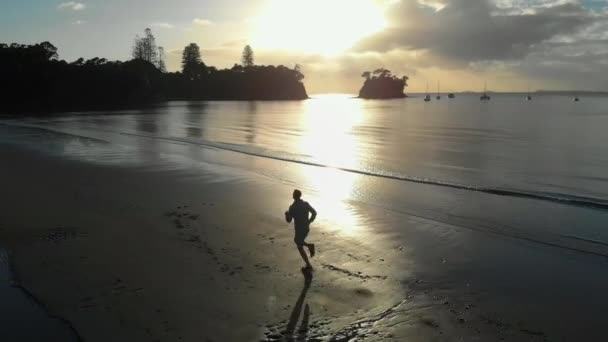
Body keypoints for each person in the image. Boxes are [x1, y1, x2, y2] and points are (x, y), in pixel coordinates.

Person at [285, 189, 317, 269]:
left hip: (299, 229)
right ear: (300, 196)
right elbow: (314, 212)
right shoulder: (305, 204)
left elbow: (289, 220)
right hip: (306, 228)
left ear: (293, 196)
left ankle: (308, 263)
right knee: (298, 242)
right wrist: (310, 221)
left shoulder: (292, 207)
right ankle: (309, 247)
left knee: (299, 245)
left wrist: (286, 214)